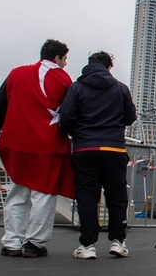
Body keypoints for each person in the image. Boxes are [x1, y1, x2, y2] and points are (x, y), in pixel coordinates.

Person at [0, 39, 74, 258]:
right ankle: (34, 243)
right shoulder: (62, 79)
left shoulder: (16, 73)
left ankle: (11, 242)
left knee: (18, 192)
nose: (65, 65)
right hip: (46, 145)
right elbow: (70, 113)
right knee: (43, 194)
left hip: (15, 142)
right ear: (57, 58)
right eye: (64, 60)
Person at [58, 51, 137, 259]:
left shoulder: (76, 87)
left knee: (87, 197)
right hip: (114, 148)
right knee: (117, 197)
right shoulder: (120, 88)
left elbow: (65, 118)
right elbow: (130, 117)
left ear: (89, 65)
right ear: (109, 67)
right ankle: (118, 241)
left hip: (85, 148)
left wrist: (78, 131)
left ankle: (87, 245)